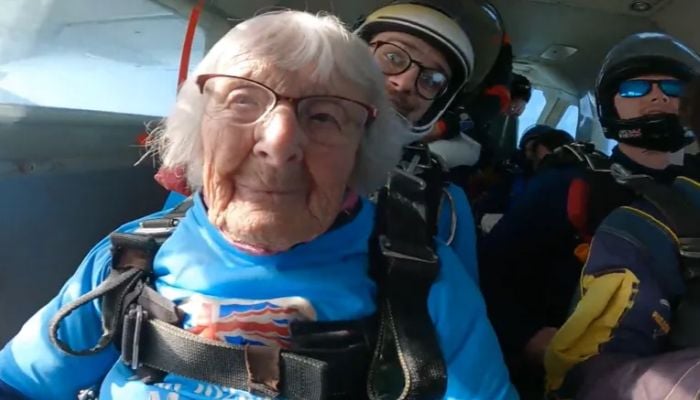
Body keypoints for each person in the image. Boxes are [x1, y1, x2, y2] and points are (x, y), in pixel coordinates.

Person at [0, 10, 516, 400]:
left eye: (325, 116)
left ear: (363, 150)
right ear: (199, 130)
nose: (279, 142)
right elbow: (22, 383)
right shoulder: (129, 256)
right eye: (243, 100)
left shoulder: (426, 281)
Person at [481, 32, 700, 399]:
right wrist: (534, 339)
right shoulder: (569, 184)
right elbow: (490, 273)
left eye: (673, 88)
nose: (659, 96)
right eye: (635, 89)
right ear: (608, 106)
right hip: (604, 371)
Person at [354, 0, 507, 282]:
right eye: (393, 58)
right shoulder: (268, 145)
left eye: (432, 79)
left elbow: (462, 314)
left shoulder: (444, 202)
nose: (405, 83)